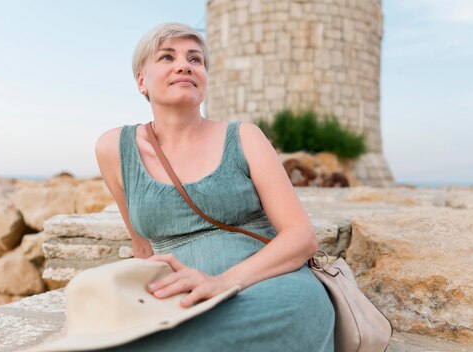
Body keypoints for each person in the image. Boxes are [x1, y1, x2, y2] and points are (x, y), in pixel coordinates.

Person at [94, 22, 334, 351]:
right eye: (166, 57)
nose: (184, 65)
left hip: (272, 288)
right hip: (183, 297)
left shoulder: (245, 136)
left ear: (204, 78)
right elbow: (144, 250)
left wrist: (222, 282)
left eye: (195, 59)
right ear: (141, 81)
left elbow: (301, 237)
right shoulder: (113, 149)